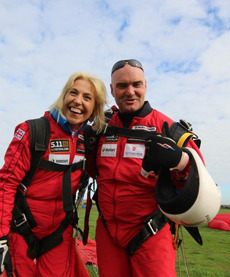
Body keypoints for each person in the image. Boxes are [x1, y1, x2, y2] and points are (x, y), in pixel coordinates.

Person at [87, 59, 204, 277]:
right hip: (108, 233)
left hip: (150, 232)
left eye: (136, 85)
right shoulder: (101, 128)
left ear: (145, 85)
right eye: (122, 86)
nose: (130, 92)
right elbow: (89, 169)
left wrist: (180, 161)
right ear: (112, 90)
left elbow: (201, 179)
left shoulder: (168, 129)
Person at [0, 72, 107, 277]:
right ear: (63, 96)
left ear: (94, 109)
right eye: (73, 93)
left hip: (59, 230)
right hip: (22, 225)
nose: (78, 101)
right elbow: (6, 183)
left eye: (87, 98)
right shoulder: (33, 130)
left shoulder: (91, 140)